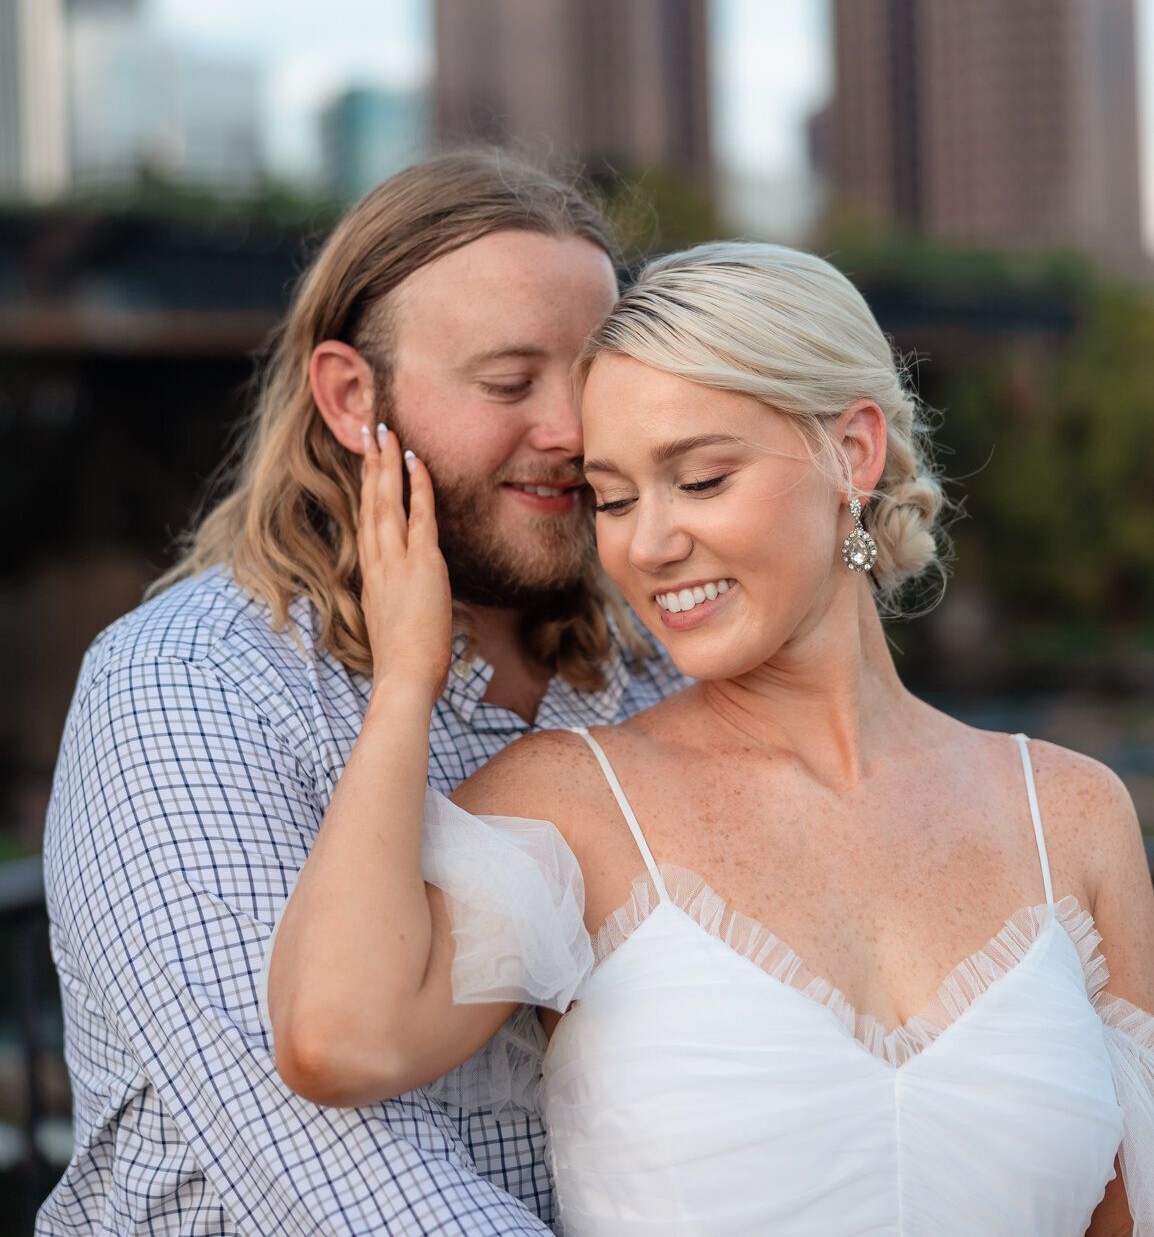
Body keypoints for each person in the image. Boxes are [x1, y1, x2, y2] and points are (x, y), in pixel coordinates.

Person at [270, 240, 1154, 1237]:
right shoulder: (570, 804)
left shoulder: (1070, 814)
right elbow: (334, 1039)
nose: (645, 545)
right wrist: (404, 686)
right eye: (609, 498)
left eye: (698, 479)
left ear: (851, 454)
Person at [38, 151, 685, 1237]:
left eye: (592, 375)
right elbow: (343, 1188)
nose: (571, 430)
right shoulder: (193, 688)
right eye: (508, 380)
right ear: (350, 396)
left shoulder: (654, 669)